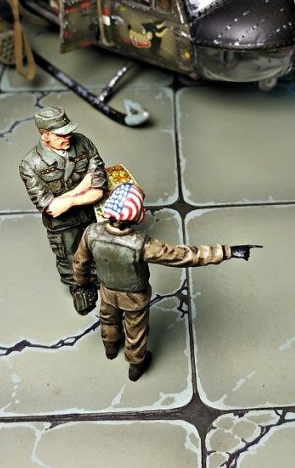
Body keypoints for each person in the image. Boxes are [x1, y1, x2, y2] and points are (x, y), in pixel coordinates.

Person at [73, 182, 261, 381]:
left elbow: (80, 262)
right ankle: (136, 365)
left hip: (107, 291)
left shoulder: (91, 232)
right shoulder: (142, 244)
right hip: (135, 297)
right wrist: (226, 251)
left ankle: (110, 347)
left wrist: (81, 284)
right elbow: (184, 256)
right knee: (136, 331)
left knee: (108, 319)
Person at [19, 106, 107, 314]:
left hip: (91, 214)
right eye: (61, 134)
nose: (67, 136)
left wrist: (68, 200)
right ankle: (80, 288)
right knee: (69, 258)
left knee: (99, 248)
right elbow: (50, 208)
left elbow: (99, 189)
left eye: (68, 131)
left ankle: (102, 279)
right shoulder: (30, 164)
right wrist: (82, 188)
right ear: (45, 135)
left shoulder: (83, 143)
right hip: (62, 225)